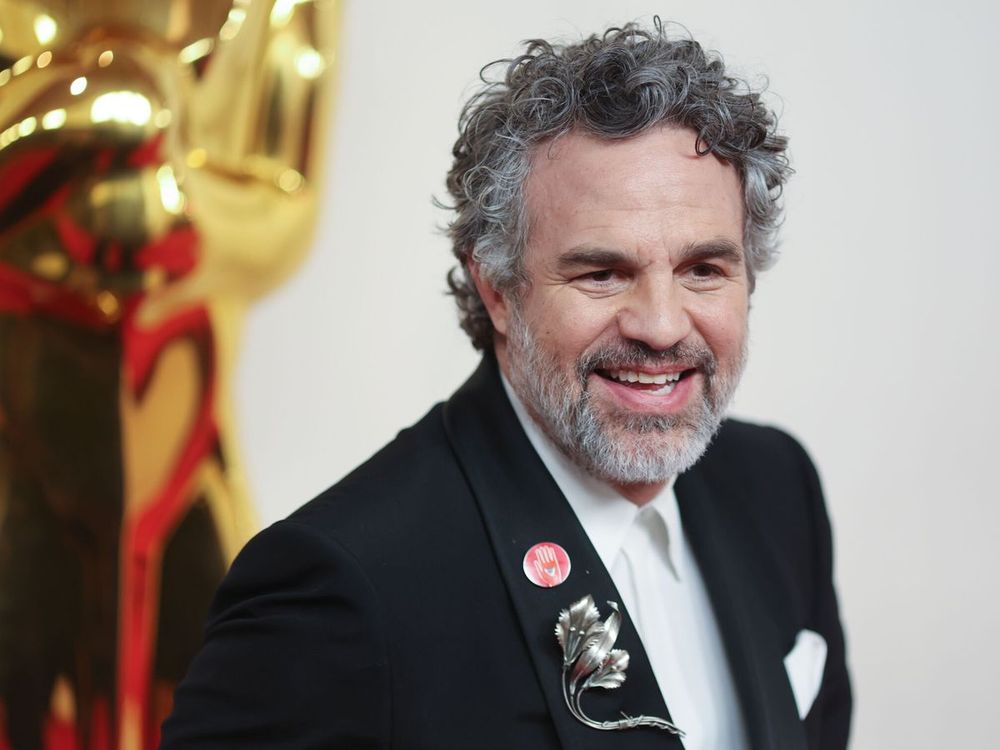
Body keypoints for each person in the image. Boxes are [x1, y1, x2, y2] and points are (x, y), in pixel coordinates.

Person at [161, 21, 851, 750]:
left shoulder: (777, 488)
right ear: (496, 288)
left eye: (703, 270)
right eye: (602, 273)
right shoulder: (339, 586)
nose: (660, 325)